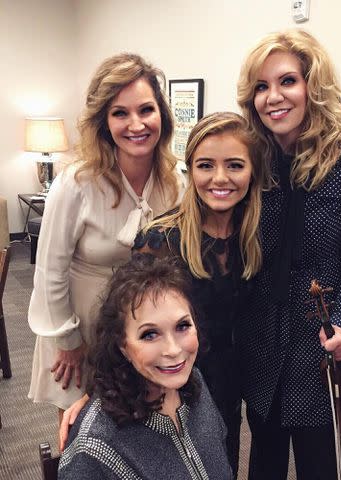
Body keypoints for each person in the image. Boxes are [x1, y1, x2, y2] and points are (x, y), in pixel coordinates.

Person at [59, 111, 264, 476]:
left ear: (252, 173)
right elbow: (124, 323)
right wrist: (96, 393)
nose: (220, 178)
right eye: (205, 165)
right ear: (190, 171)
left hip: (230, 384)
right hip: (172, 386)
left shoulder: (254, 238)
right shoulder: (161, 238)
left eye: (234, 165)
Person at [236, 28, 341, 479]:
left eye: (287, 81)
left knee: (319, 463)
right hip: (259, 333)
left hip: (317, 339)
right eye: (261, 86)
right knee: (263, 455)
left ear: (311, 86)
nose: (273, 97)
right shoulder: (249, 159)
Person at [28, 53, 184, 420]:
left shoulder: (174, 181)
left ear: (162, 113)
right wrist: (68, 342)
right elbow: (49, 271)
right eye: (120, 113)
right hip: (81, 324)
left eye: (146, 110)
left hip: (144, 329)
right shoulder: (77, 182)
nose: (136, 124)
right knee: (81, 430)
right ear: (104, 121)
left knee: (141, 426)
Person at [58, 253, 233, 480]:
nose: (173, 349)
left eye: (182, 326)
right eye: (150, 334)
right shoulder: (95, 446)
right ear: (122, 345)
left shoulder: (195, 384)